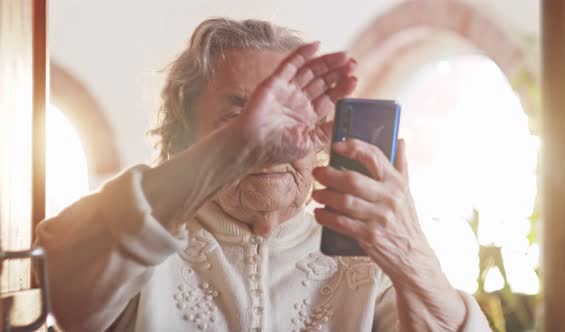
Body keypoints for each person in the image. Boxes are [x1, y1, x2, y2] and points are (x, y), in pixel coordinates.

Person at [36, 18, 489, 331]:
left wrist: (411, 255)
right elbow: (62, 292)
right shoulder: (138, 254)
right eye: (239, 114)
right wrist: (234, 150)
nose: (272, 140)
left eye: (295, 116)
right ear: (183, 140)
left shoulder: (370, 263)